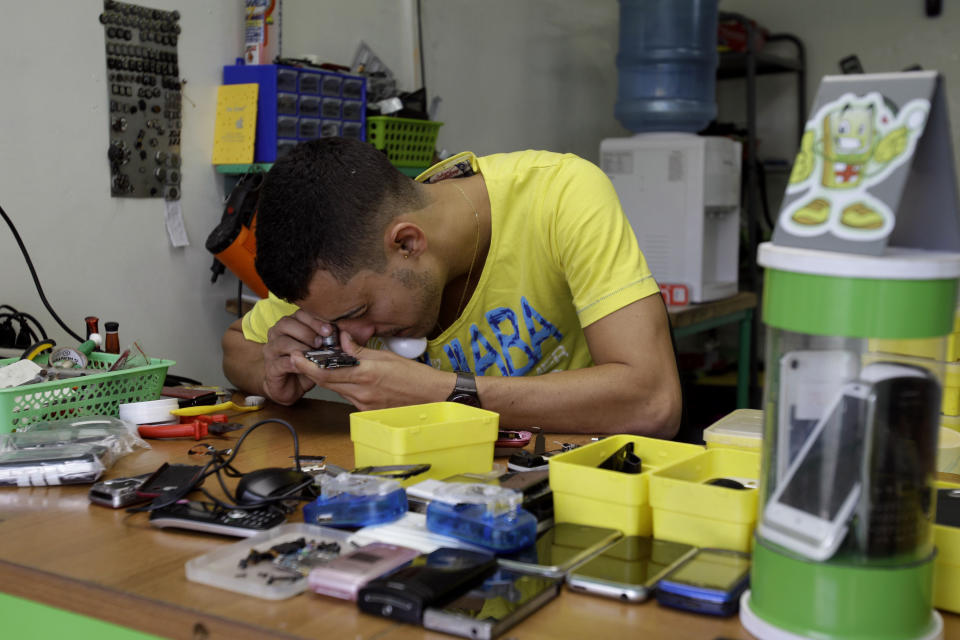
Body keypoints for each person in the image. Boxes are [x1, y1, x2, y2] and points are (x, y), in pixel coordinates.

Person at [222, 137, 681, 437]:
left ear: (407, 242)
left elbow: (654, 401)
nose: (354, 336)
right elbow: (235, 346)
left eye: (359, 312)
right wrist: (272, 370)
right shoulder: (330, 257)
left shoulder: (561, 196)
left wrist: (442, 391)